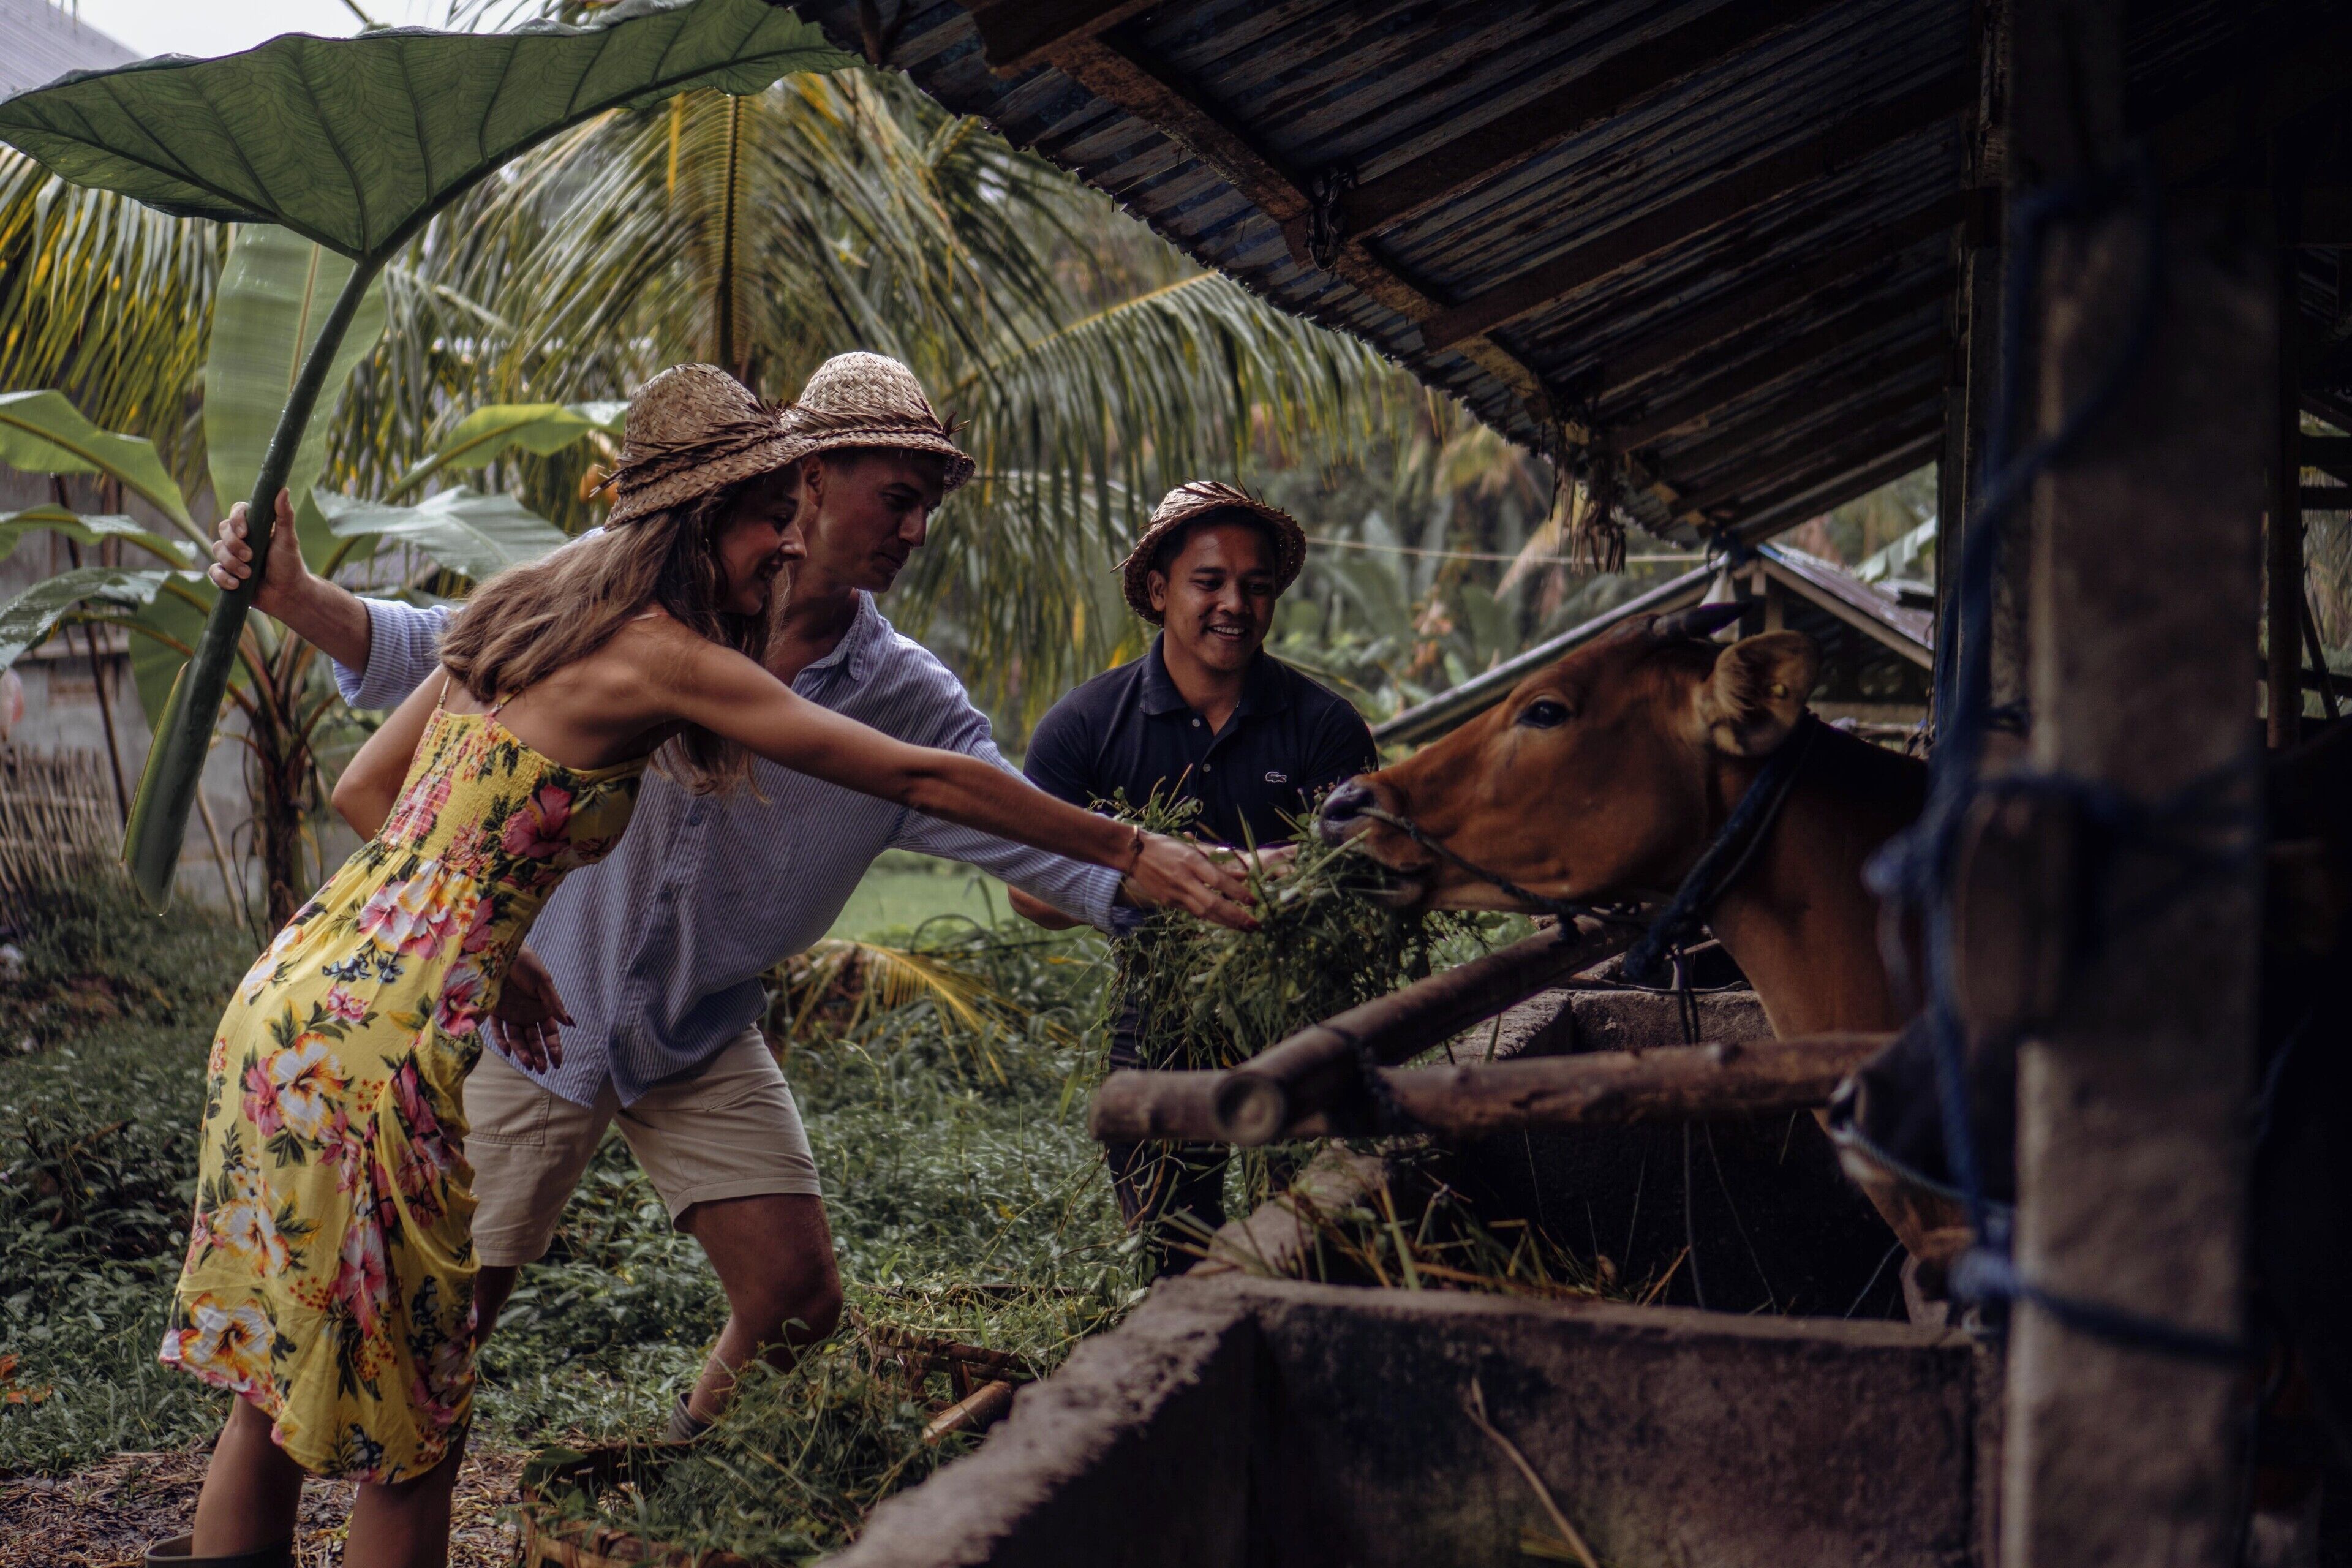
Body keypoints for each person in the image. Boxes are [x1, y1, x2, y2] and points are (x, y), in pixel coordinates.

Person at [166, 364, 1251, 1568]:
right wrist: (1133, 841)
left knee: (279, 1373)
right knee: (421, 1426)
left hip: (304, 994)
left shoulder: (536, 604)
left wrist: (489, 936)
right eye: (768, 515)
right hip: (402, 1042)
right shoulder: (664, 649)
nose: (786, 543)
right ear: (709, 518)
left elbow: (376, 788)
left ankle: (679, 1478)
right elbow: (914, 776)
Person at [1014, 480, 1378, 1267]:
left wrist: (1286, 878)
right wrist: (1138, 878)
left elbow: (1359, 878)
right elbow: (1024, 889)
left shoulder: (1326, 726)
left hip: (1302, 1006)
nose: (1234, 605)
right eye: (1208, 581)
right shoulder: (1083, 726)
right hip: (1158, 1012)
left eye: (1255, 586)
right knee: (1172, 1246)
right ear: (1158, 589)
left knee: (1320, 1234)